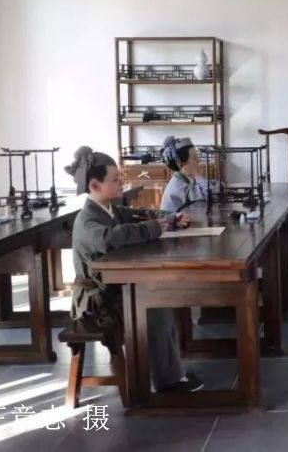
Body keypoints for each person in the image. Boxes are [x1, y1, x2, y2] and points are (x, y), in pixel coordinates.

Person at [67, 147, 203, 393]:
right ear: (95, 186)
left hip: (113, 290)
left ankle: (171, 374)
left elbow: (140, 214)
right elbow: (111, 237)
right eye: (115, 180)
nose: (121, 183)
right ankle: (168, 382)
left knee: (160, 298)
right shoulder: (88, 220)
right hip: (97, 302)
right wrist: (155, 227)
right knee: (155, 307)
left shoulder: (111, 210)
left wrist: (171, 217)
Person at [159, 136, 208, 213]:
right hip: (172, 221)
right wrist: (198, 176)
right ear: (182, 164)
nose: (198, 161)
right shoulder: (177, 186)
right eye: (194, 158)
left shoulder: (182, 179)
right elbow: (206, 194)